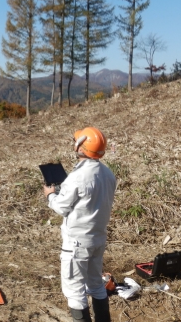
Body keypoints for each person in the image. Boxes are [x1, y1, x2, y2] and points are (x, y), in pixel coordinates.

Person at [44, 127, 117, 322]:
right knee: (96, 286)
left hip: (76, 244)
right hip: (98, 239)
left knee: (75, 292)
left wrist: (50, 195)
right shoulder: (108, 173)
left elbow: (61, 207)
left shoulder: (77, 177)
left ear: (81, 147)